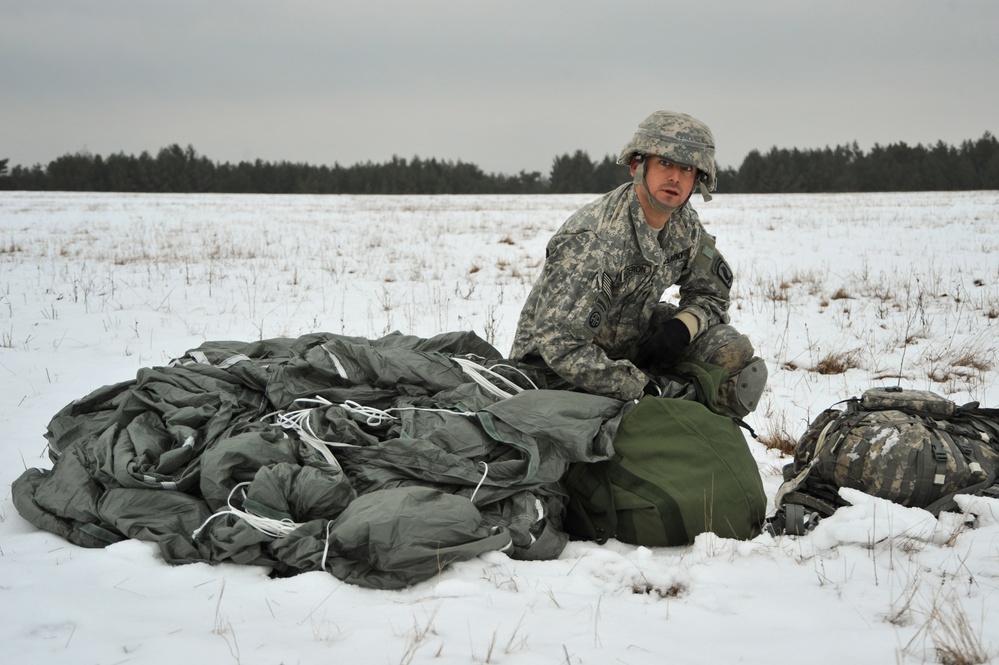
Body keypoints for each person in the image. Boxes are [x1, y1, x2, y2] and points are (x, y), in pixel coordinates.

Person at [510, 110, 766, 417]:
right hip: (550, 373)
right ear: (637, 166)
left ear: (699, 179)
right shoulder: (595, 238)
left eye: (687, 168)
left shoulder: (685, 227)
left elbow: (712, 293)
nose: (675, 177)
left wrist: (682, 328)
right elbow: (560, 346)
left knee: (733, 357)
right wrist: (638, 385)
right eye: (665, 163)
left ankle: (701, 442)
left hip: (626, 345)